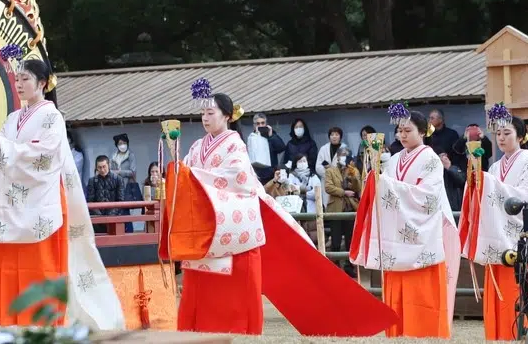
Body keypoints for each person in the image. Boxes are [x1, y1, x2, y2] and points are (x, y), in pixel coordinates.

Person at [159, 78, 399, 336]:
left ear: (227, 116)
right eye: (202, 114)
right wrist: (181, 173)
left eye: (210, 113)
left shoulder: (235, 144)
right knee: (203, 292)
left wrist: (194, 177)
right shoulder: (196, 147)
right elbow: (187, 178)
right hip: (210, 228)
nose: (205, 118)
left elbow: (238, 177)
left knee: (233, 296)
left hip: (232, 227)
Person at [0, 56, 124, 329]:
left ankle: (38, 319)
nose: (19, 84)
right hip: (14, 202)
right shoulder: (13, 118)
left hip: (43, 202)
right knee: (6, 259)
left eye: (25, 79)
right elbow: (0, 158)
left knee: (40, 263)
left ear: (42, 83)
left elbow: (44, 157)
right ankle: (6, 314)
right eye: (17, 78)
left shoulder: (52, 117)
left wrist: (1, 147)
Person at [350, 105, 460, 338]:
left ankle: (425, 332)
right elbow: (384, 193)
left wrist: (387, 186)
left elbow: (428, 198)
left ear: (422, 132)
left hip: (422, 236)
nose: (402, 135)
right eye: (399, 131)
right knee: (396, 295)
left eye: (408, 131)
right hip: (397, 237)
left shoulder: (431, 158)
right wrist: (375, 178)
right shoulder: (394, 159)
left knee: (422, 297)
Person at [458, 104, 528, 341]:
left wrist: (487, 182)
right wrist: (477, 180)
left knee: (522, 294)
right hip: (499, 238)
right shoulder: (495, 167)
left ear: (521, 136)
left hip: (523, 237)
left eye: (507, 133)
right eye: (498, 133)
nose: (501, 138)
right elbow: (486, 197)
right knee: (500, 297)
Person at [324, 146, 361, 275]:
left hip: (350, 208)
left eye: (346, 154)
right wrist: (343, 192)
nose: (344, 157)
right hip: (336, 209)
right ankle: (334, 266)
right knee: (335, 240)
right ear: (338, 157)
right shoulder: (330, 171)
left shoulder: (353, 170)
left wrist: (353, 176)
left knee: (351, 240)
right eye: (342, 154)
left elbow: (358, 187)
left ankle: (349, 267)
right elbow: (328, 187)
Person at [86, 155, 124, 234]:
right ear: (96, 167)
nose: (102, 170)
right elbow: (90, 201)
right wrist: (101, 217)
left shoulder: (118, 179)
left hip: (114, 217)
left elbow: (120, 200)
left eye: (104, 166)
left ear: (108, 165)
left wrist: (109, 216)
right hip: (97, 218)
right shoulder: (92, 181)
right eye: (99, 167)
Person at [247, 113, 285, 184]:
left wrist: (271, 136)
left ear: (266, 124)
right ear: (254, 126)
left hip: (271, 174)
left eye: (262, 123)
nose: (260, 125)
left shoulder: (272, 135)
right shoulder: (251, 138)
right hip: (257, 174)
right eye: (258, 124)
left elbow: (281, 148)